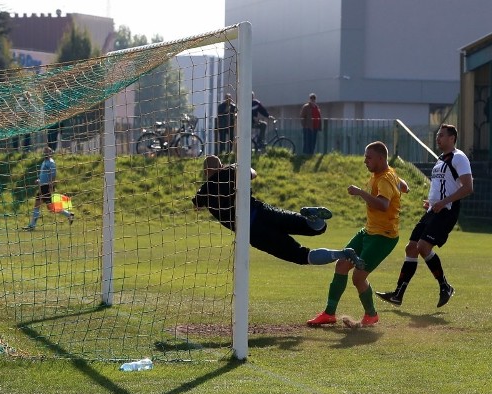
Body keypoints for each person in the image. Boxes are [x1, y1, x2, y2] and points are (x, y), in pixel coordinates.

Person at [192, 155, 365, 268]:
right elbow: (253, 173)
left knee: (300, 255)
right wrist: (236, 166)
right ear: (221, 165)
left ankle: (341, 254)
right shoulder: (230, 172)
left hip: (254, 232)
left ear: (205, 172)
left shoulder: (204, 192)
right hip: (265, 212)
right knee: (317, 228)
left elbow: (196, 206)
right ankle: (313, 217)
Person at [307, 141, 407, 327]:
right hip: (368, 231)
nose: (365, 161)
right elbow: (402, 183)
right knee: (341, 265)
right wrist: (402, 186)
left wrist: (361, 192)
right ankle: (329, 314)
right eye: (365, 157)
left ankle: (371, 315)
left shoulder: (384, 179)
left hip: (383, 237)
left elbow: (383, 205)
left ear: (380, 158)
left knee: (358, 277)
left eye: (369, 157)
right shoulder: (387, 173)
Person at [376, 124, 473, 308]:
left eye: (442, 135)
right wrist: (432, 202)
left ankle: (445, 287)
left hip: (447, 211)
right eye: (437, 135)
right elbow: (443, 186)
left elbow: (468, 188)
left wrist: (443, 202)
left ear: (452, 138)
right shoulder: (440, 159)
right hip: (433, 210)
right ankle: (398, 295)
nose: (438, 138)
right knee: (411, 248)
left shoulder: (459, 157)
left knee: (422, 246)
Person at [22, 146, 74, 230]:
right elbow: (44, 174)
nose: (45, 153)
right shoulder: (44, 162)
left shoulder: (51, 162)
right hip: (42, 186)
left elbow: (53, 176)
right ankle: (32, 225)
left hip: (46, 187)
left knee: (50, 208)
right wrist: (39, 180)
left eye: (47, 152)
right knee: (39, 206)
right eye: (44, 152)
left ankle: (69, 215)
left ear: (50, 153)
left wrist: (51, 187)